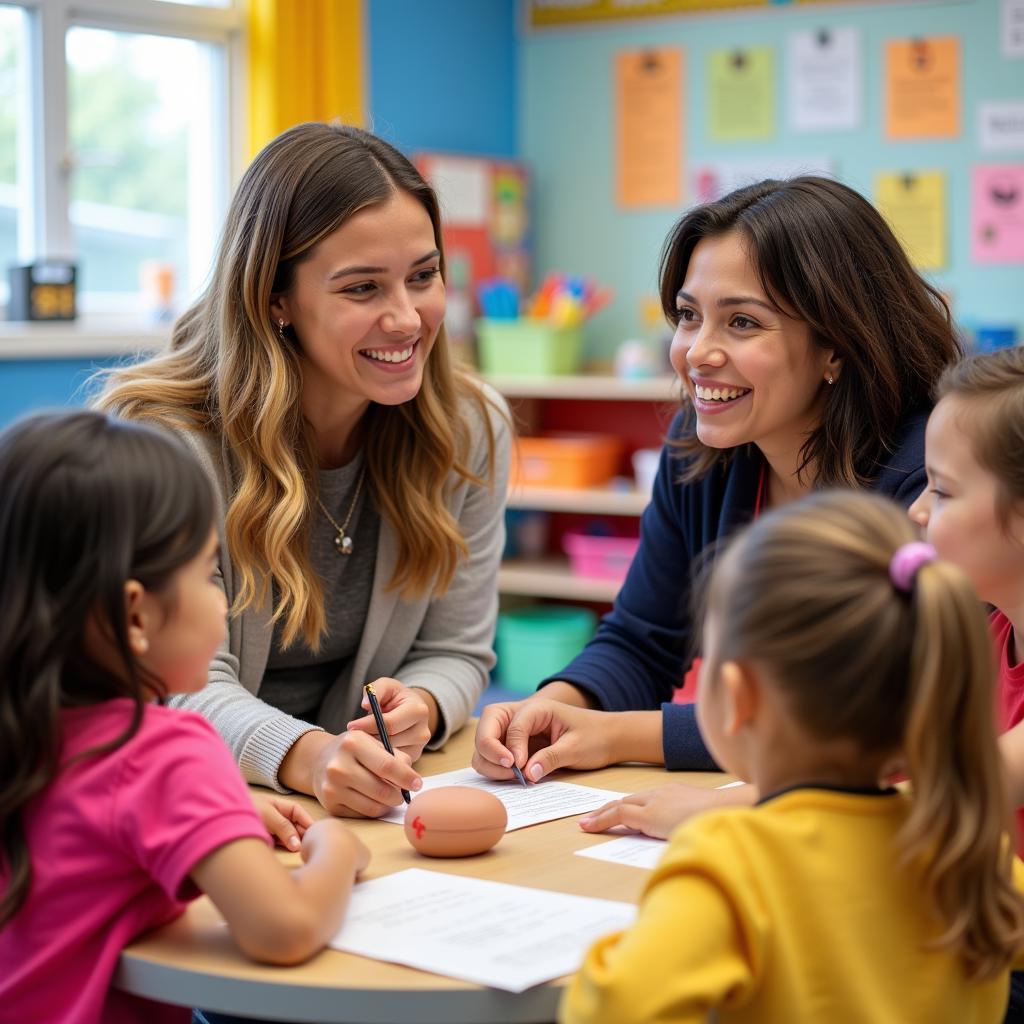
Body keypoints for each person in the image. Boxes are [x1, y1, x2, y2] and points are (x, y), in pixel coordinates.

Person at [473, 175, 961, 787]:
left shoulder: (929, 477)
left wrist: (622, 734)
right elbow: (642, 638)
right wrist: (562, 705)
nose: (695, 352)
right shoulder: (699, 451)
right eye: (687, 316)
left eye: (742, 324)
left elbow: (866, 716)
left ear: (836, 346)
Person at [98, 122, 510, 818]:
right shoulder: (166, 439)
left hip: (349, 797)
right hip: (187, 792)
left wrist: (426, 704)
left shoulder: (468, 429)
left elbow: (459, 650)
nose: (407, 318)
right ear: (275, 299)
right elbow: (167, 682)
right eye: (362, 289)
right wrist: (308, 756)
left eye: (423, 276)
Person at [560, 491, 1024, 1024]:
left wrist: (615, 949)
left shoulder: (727, 860)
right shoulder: (969, 849)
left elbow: (616, 1008)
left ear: (737, 696)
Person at [0, 411, 370, 1024]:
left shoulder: (27, 732)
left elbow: (91, 827)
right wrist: (336, 848)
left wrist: (218, 811)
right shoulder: (166, 752)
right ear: (136, 617)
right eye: (207, 572)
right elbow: (286, 928)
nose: (224, 598)